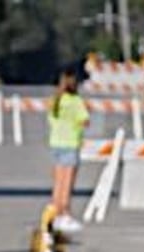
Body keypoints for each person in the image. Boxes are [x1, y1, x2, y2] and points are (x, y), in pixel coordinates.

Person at [47, 70, 89, 236]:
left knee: (57, 183)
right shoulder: (76, 101)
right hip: (71, 144)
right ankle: (65, 214)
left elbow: (51, 119)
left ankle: (56, 213)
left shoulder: (56, 101)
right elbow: (84, 120)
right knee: (67, 183)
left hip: (56, 143)